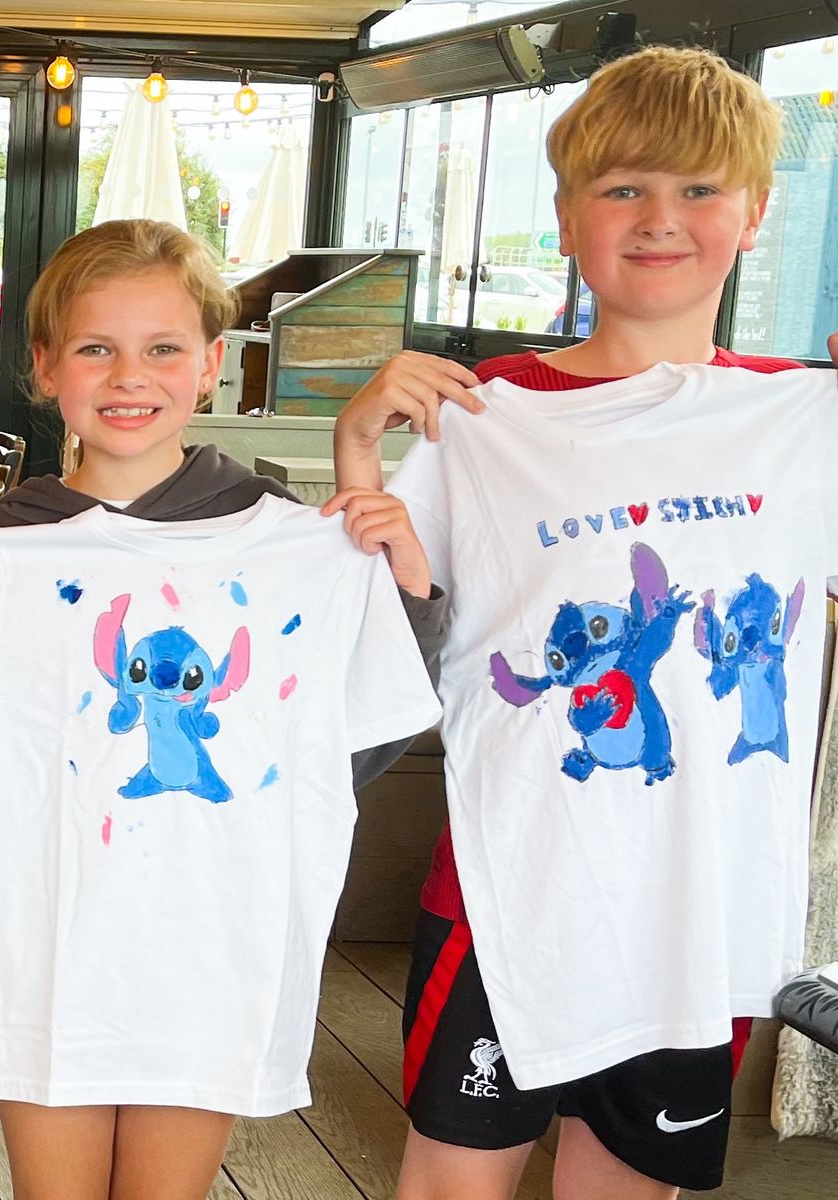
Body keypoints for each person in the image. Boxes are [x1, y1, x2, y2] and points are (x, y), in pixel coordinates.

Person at [0, 218, 444, 1200]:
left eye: (163, 347)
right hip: (51, 950)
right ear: (44, 366)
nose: (131, 375)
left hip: (210, 953)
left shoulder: (289, 544)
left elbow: (336, 750)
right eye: (97, 348)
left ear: (212, 364)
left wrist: (407, 597)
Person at [332, 46, 838, 1200]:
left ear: (757, 210)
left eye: (700, 188)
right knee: (445, 1187)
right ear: (566, 217)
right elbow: (367, 635)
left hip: (695, 912)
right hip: (507, 894)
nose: (661, 218)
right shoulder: (479, 414)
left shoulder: (810, 420)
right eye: (622, 188)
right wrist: (363, 454)